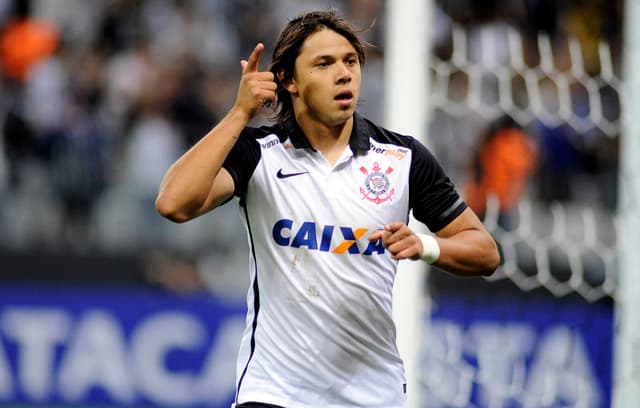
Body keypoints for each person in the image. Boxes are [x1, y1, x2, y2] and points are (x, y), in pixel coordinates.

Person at [155, 10, 500, 408]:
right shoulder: (259, 154)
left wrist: (426, 246)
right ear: (288, 80)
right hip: (275, 393)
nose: (344, 73)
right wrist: (239, 113)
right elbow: (173, 203)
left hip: (372, 396)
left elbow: (485, 252)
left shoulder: (402, 158)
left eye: (350, 61)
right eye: (324, 63)